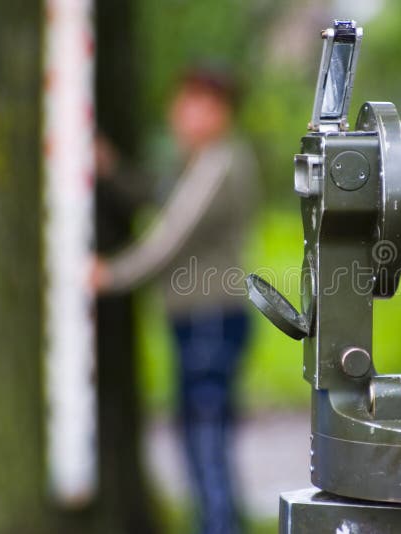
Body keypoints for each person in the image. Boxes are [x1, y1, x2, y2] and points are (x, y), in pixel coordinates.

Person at [91, 66, 259, 534]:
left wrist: (109, 275)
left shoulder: (220, 162)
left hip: (211, 320)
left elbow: (169, 236)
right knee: (198, 439)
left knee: (205, 442)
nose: (187, 112)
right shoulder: (194, 163)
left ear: (224, 113)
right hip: (198, 321)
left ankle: (220, 526)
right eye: (184, 99)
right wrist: (112, 172)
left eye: (203, 103)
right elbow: (161, 197)